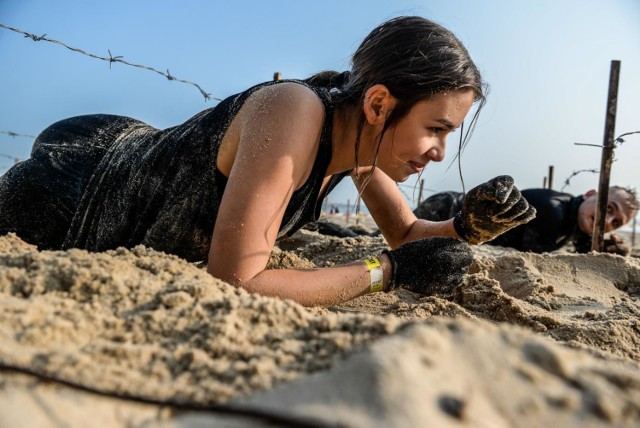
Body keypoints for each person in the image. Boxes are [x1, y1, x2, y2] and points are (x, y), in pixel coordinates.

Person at [0, 16, 535, 306]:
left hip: (127, 164)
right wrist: (382, 272)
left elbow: (410, 235)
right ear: (378, 103)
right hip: (76, 183)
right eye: (435, 129)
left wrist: (468, 226)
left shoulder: (361, 151)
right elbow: (236, 281)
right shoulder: (294, 109)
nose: (438, 153)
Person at [413, 186, 638, 255]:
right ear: (590, 194)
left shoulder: (581, 222)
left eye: (616, 222)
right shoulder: (553, 210)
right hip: (444, 209)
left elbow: (586, 255)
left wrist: (607, 251)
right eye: (608, 208)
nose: (607, 220)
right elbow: (539, 261)